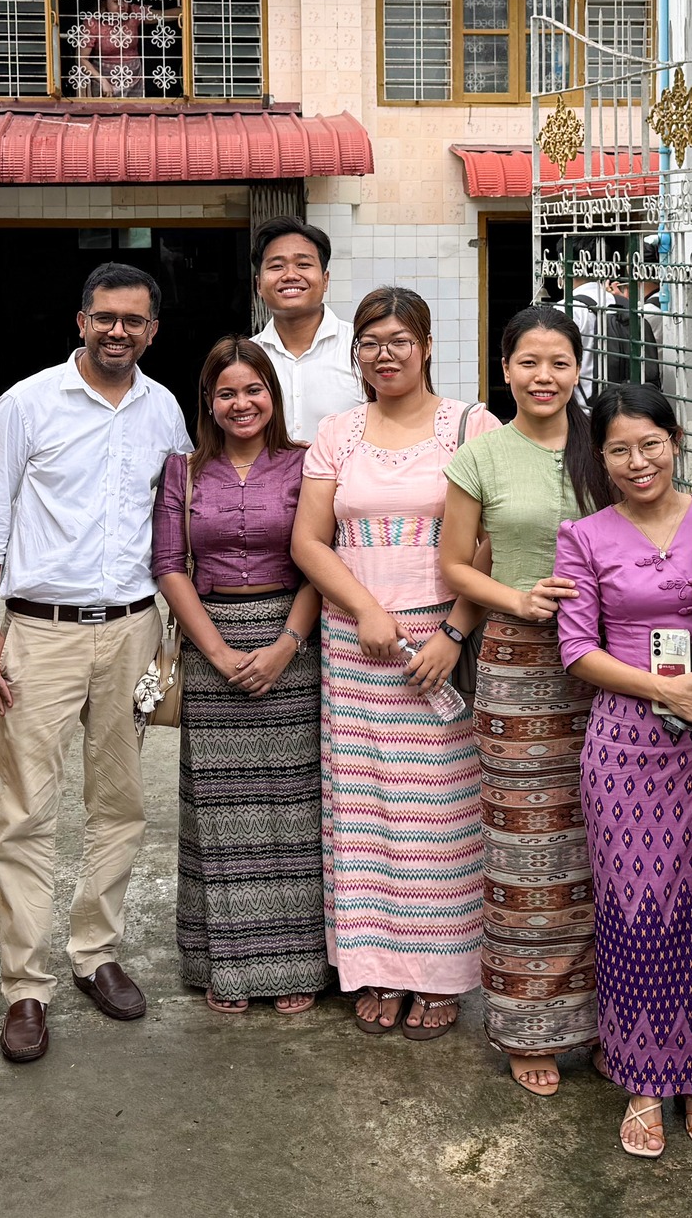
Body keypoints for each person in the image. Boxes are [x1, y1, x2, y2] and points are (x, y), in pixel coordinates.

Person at [0, 261, 192, 1064]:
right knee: (26, 809)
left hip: (132, 627)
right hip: (39, 631)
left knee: (121, 802)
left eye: (133, 320)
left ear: (152, 330)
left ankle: (96, 951)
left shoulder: (164, 409)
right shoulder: (26, 403)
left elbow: (178, 516)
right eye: (105, 317)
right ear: (81, 321)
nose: (117, 331)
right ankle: (25, 986)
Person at [291, 286, 498, 1040]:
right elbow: (308, 540)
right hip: (356, 646)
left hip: (438, 647)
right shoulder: (338, 432)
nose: (385, 354)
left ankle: (438, 975)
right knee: (365, 815)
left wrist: (454, 632)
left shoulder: (471, 425)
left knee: (439, 816)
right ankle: (374, 966)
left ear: (427, 346)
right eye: (371, 342)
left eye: (399, 340)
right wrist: (365, 609)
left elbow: (491, 538)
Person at [438, 305, 612, 1092]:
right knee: (524, 846)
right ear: (504, 368)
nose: (545, 376)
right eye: (529, 361)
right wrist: (515, 598)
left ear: (579, 368)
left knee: (608, 843)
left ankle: (611, 1022)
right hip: (518, 665)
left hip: (611, 663)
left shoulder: (606, 447)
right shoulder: (481, 455)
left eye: (560, 362)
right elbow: (455, 564)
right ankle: (528, 1026)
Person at [551, 384, 692, 1156]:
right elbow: (576, 649)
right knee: (634, 907)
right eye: (619, 449)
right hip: (625, 744)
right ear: (601, 457)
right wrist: (663, 688)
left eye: (650, 444)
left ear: (675, 440)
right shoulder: (583, 535)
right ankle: (644, 1079)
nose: (637, 461)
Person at [152, 337, 324, 1015]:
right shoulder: (183, 471)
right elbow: (169, 565)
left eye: (254, 389)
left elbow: (321, 558)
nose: (241, 403)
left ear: (272, 396)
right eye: (226, 392)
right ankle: (224, 963)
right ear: (209, 401)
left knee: (294, 806)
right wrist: (219, 652)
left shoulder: (306, 463)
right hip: (210, 640)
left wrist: (287, 643)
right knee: (220, 811)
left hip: (294, 645)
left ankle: (298, 961)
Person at [248, 216, 362, 444]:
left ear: (325, 280)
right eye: (276, 266)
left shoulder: (362, 348)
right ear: (259, 285)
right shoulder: (247, 358)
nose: (290, 275)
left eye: (303, 265)